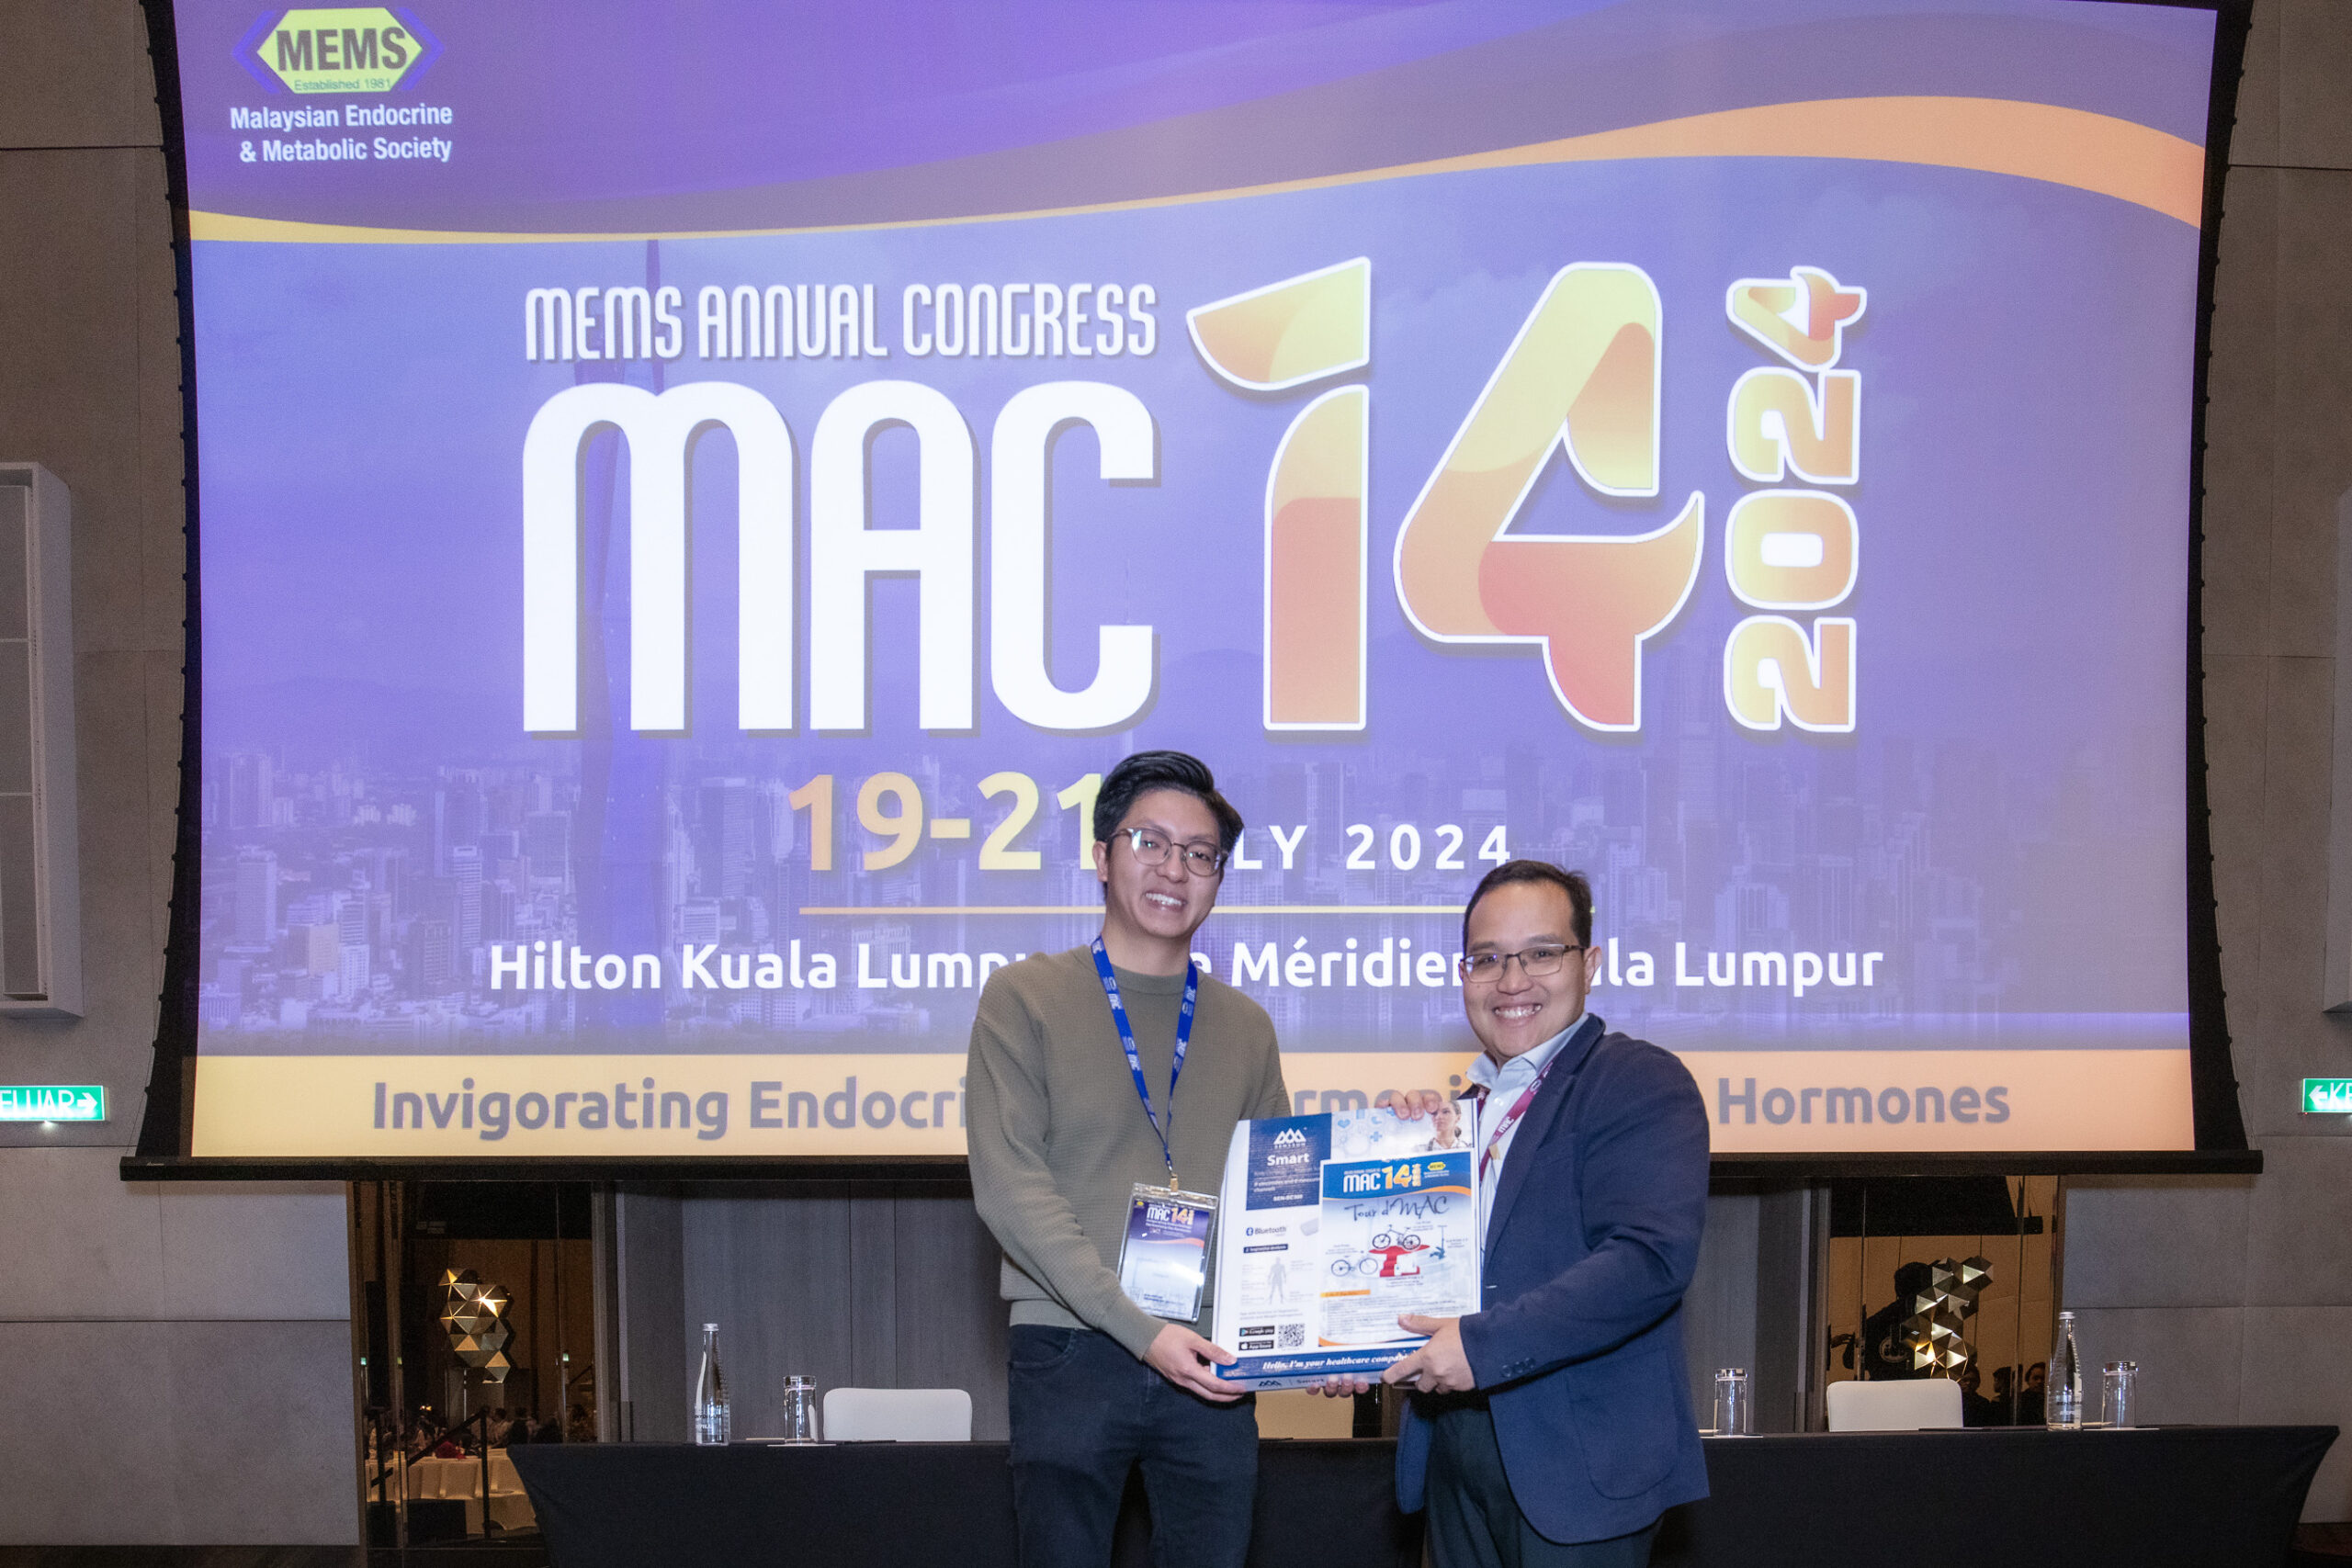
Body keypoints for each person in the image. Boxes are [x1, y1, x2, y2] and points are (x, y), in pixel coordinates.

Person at [1331, 860, 1710, 1567]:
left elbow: (1648, 1259)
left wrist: (1480, 1346)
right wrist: (1350, 1339)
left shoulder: (1637, 1079)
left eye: (1540, 953)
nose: (1511, 980)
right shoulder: (1455, 1117)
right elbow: (1423, 1280)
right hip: (1453, 1459)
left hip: (1578, 1472)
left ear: (1588, 963)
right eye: (1487, 958)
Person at [967, 750, 1289, 1568]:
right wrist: (1143, 1332)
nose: (1175, 869)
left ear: (1218, 879)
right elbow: (1010, 1189)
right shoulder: (1023, 997)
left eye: (1200, 853)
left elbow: (1279, 1199)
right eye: (1151, 842)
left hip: (1210, 1356)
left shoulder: (1247, 1026)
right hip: (1070, 1341)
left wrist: (1318, 1334)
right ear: (1102, 855)